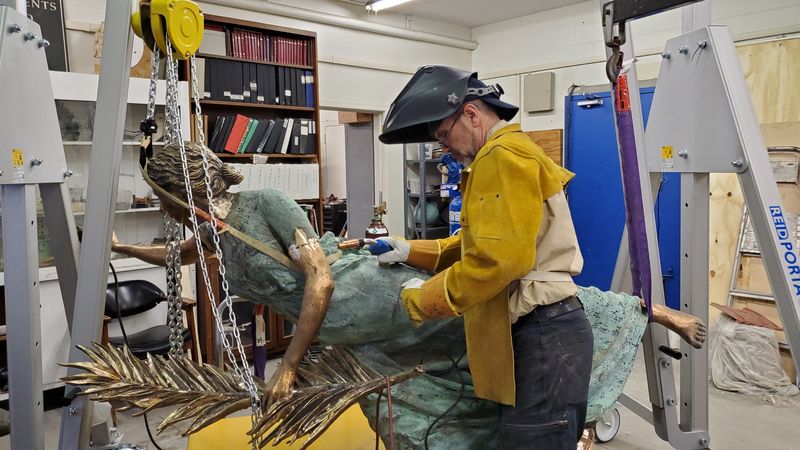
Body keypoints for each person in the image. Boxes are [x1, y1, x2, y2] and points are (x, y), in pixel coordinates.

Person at [112, 141, 706, 449]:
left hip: (358, 297)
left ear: (174, 187)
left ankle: (645, 311)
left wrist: (290, 364)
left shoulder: (262, 204)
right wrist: (125, 249)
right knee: (434, 366)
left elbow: (320, 279)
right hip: (340, 326)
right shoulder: (217, 229)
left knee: (484, 306)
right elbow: (189, 255)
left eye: (158, 194)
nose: (161, 205)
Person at [378, 65, 592, 448]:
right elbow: (484, 241)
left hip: (542, 332)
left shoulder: (499, 156)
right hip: (549, 331)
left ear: (471, 114)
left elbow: (498, 260)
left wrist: (425, 299)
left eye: (445, 135)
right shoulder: (512, 151)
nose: (446, 149)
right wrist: (414, 250)